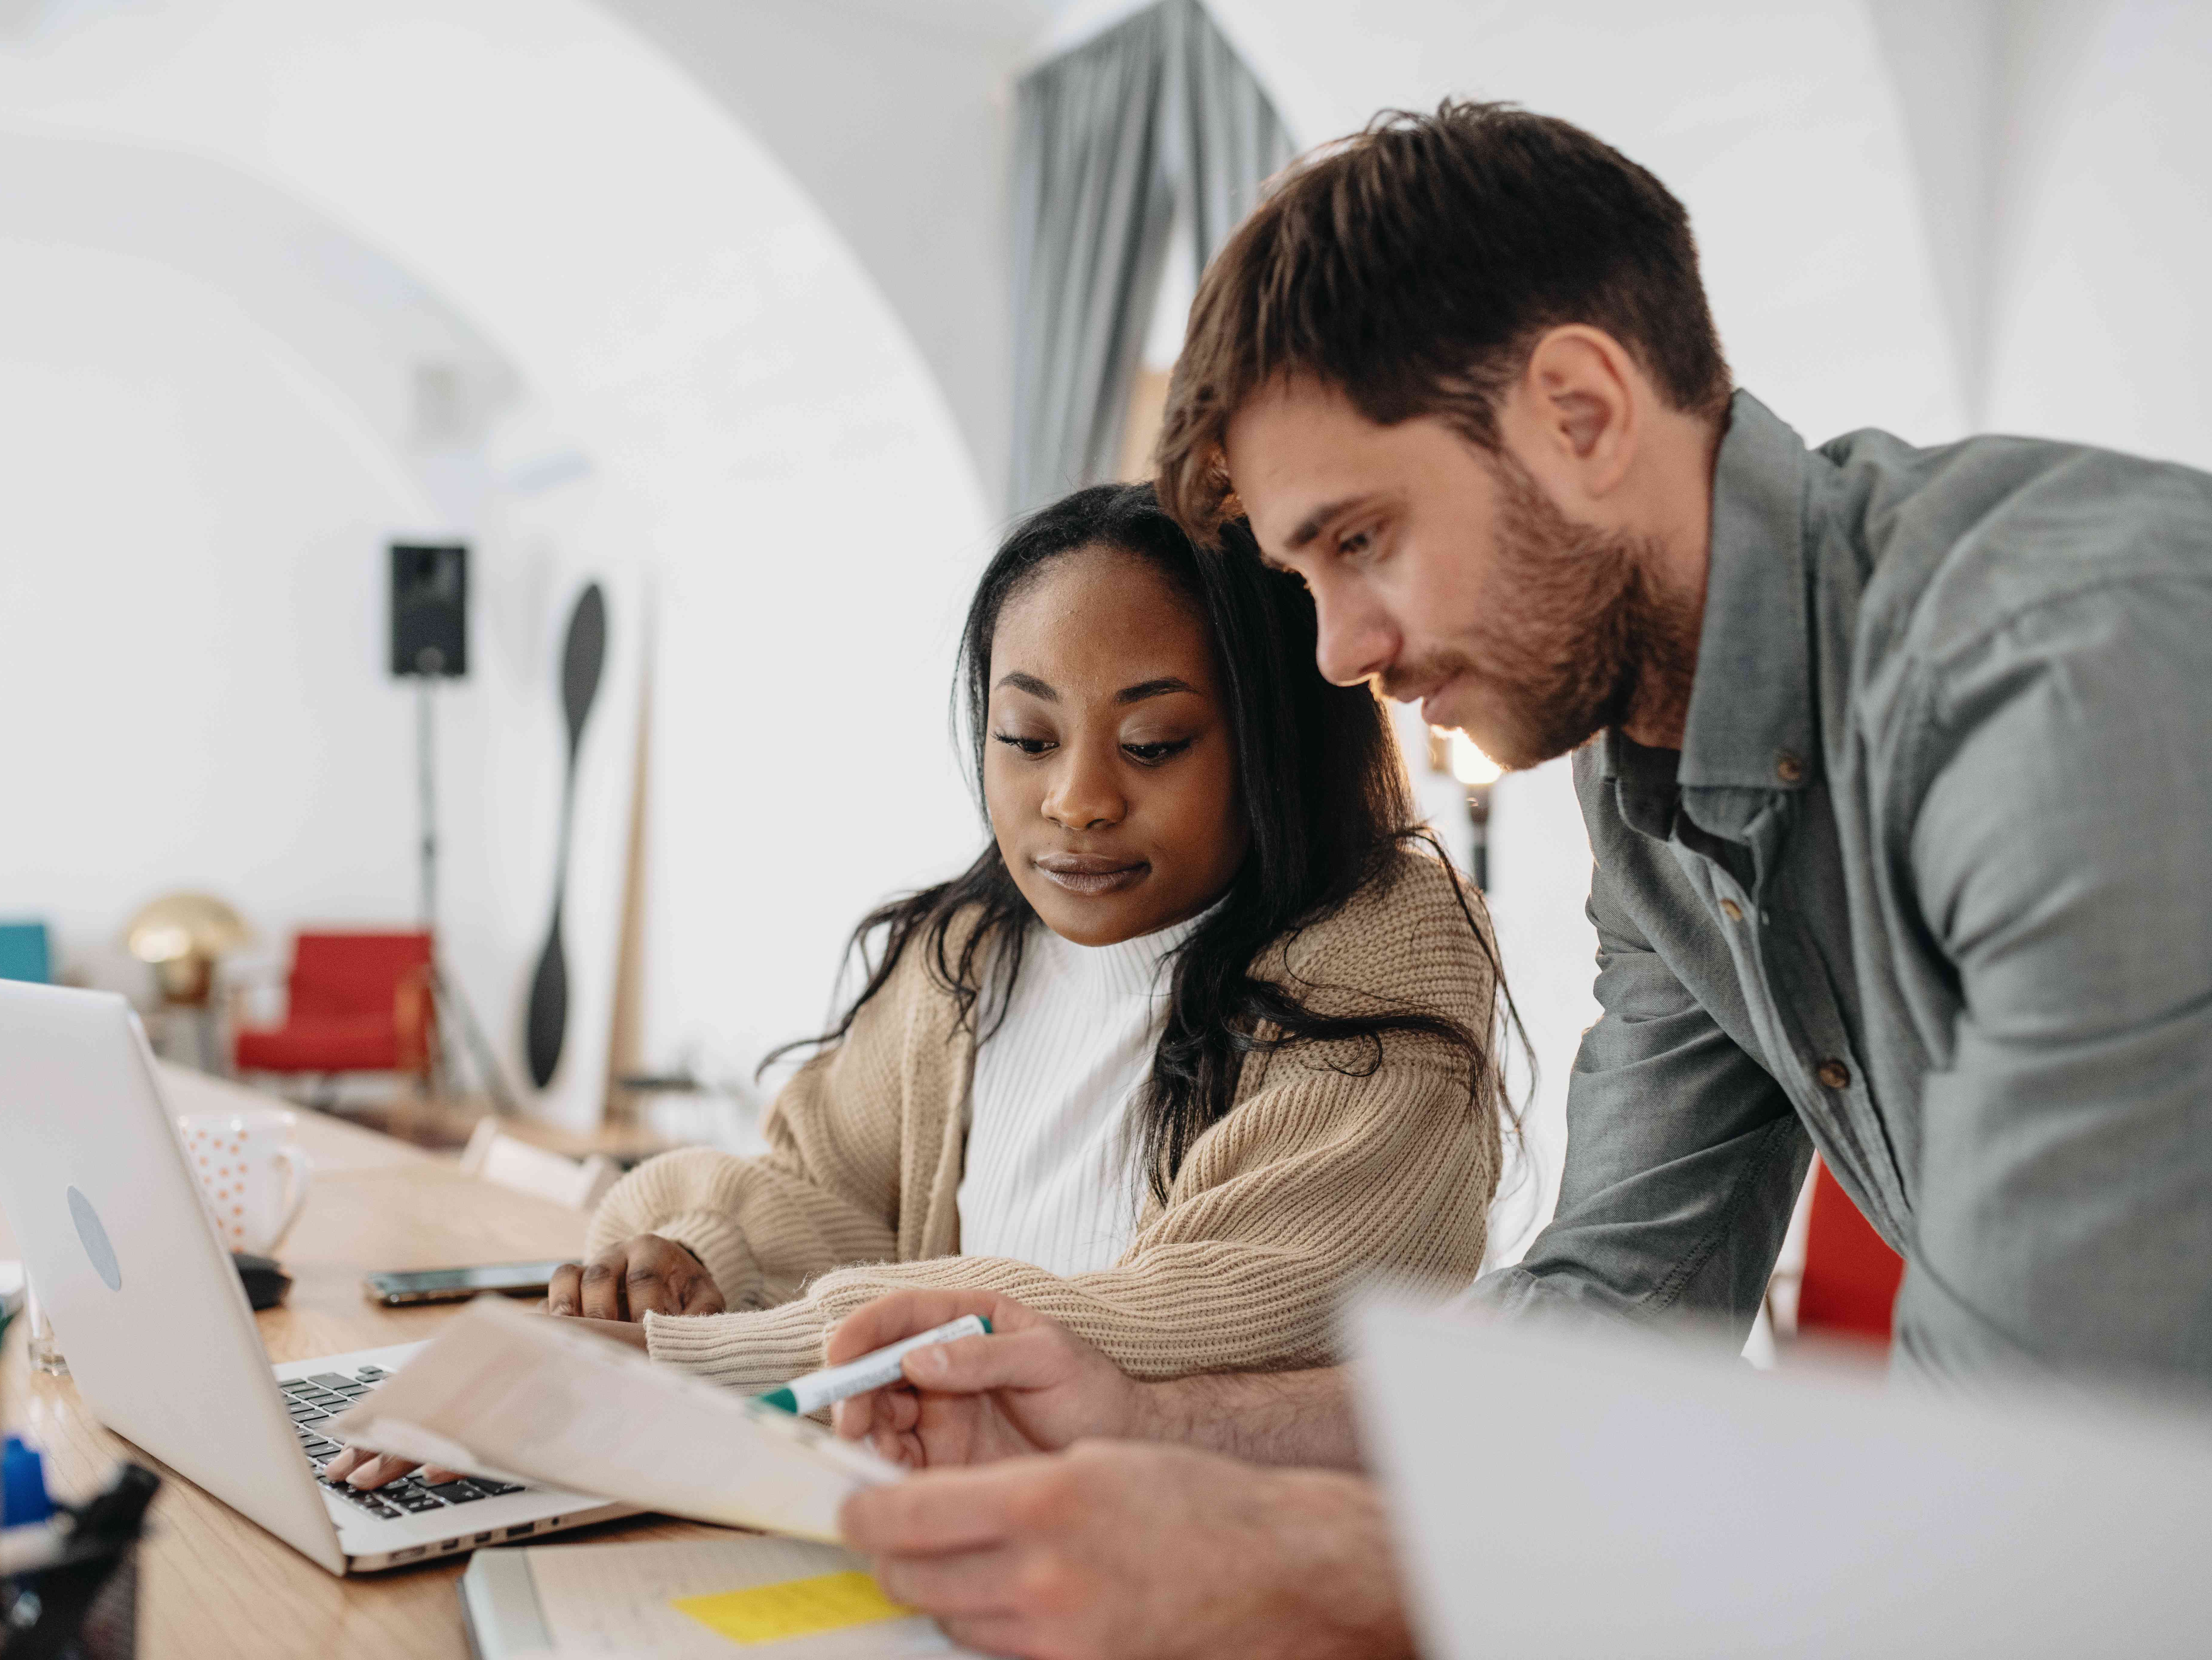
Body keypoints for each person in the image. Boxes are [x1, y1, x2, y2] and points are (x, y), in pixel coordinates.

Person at [817, 95, 2212, 1659]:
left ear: (1582, 412)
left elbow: (2027, 1520)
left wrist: (1300, 1561)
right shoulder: (1656, 780)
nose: (1343, 651)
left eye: (1363, 541)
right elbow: (1614, 1318)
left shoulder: (2058, 695)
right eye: (1306, 578)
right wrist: (1147, 1415)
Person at [324, 480, 1510, 1494]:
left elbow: (1221, 1308)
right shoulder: (969, 948)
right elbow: (828, 1190)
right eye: (1028, 738)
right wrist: (695, 1264)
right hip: (944, 1514)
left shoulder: (1381, 937)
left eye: (1152, 744)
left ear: (1276, 741)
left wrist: (681, 1367)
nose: (1077, 800)